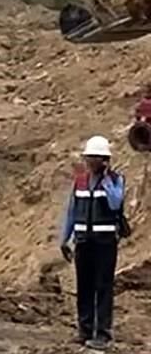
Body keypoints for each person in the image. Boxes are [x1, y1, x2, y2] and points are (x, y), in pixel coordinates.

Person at [59, 135, 126, 350]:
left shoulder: (115, 180)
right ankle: (85, 330)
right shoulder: (79, 182)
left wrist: (106, 181)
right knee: (84, 286)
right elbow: (72, 211)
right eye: (89, 157)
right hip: (83, 241)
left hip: (105, 243)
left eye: (95, 158)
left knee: (103, 287)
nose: (90, 162)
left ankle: (103, 334)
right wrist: (65, 239)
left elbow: (116, 204)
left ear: (105, 160)